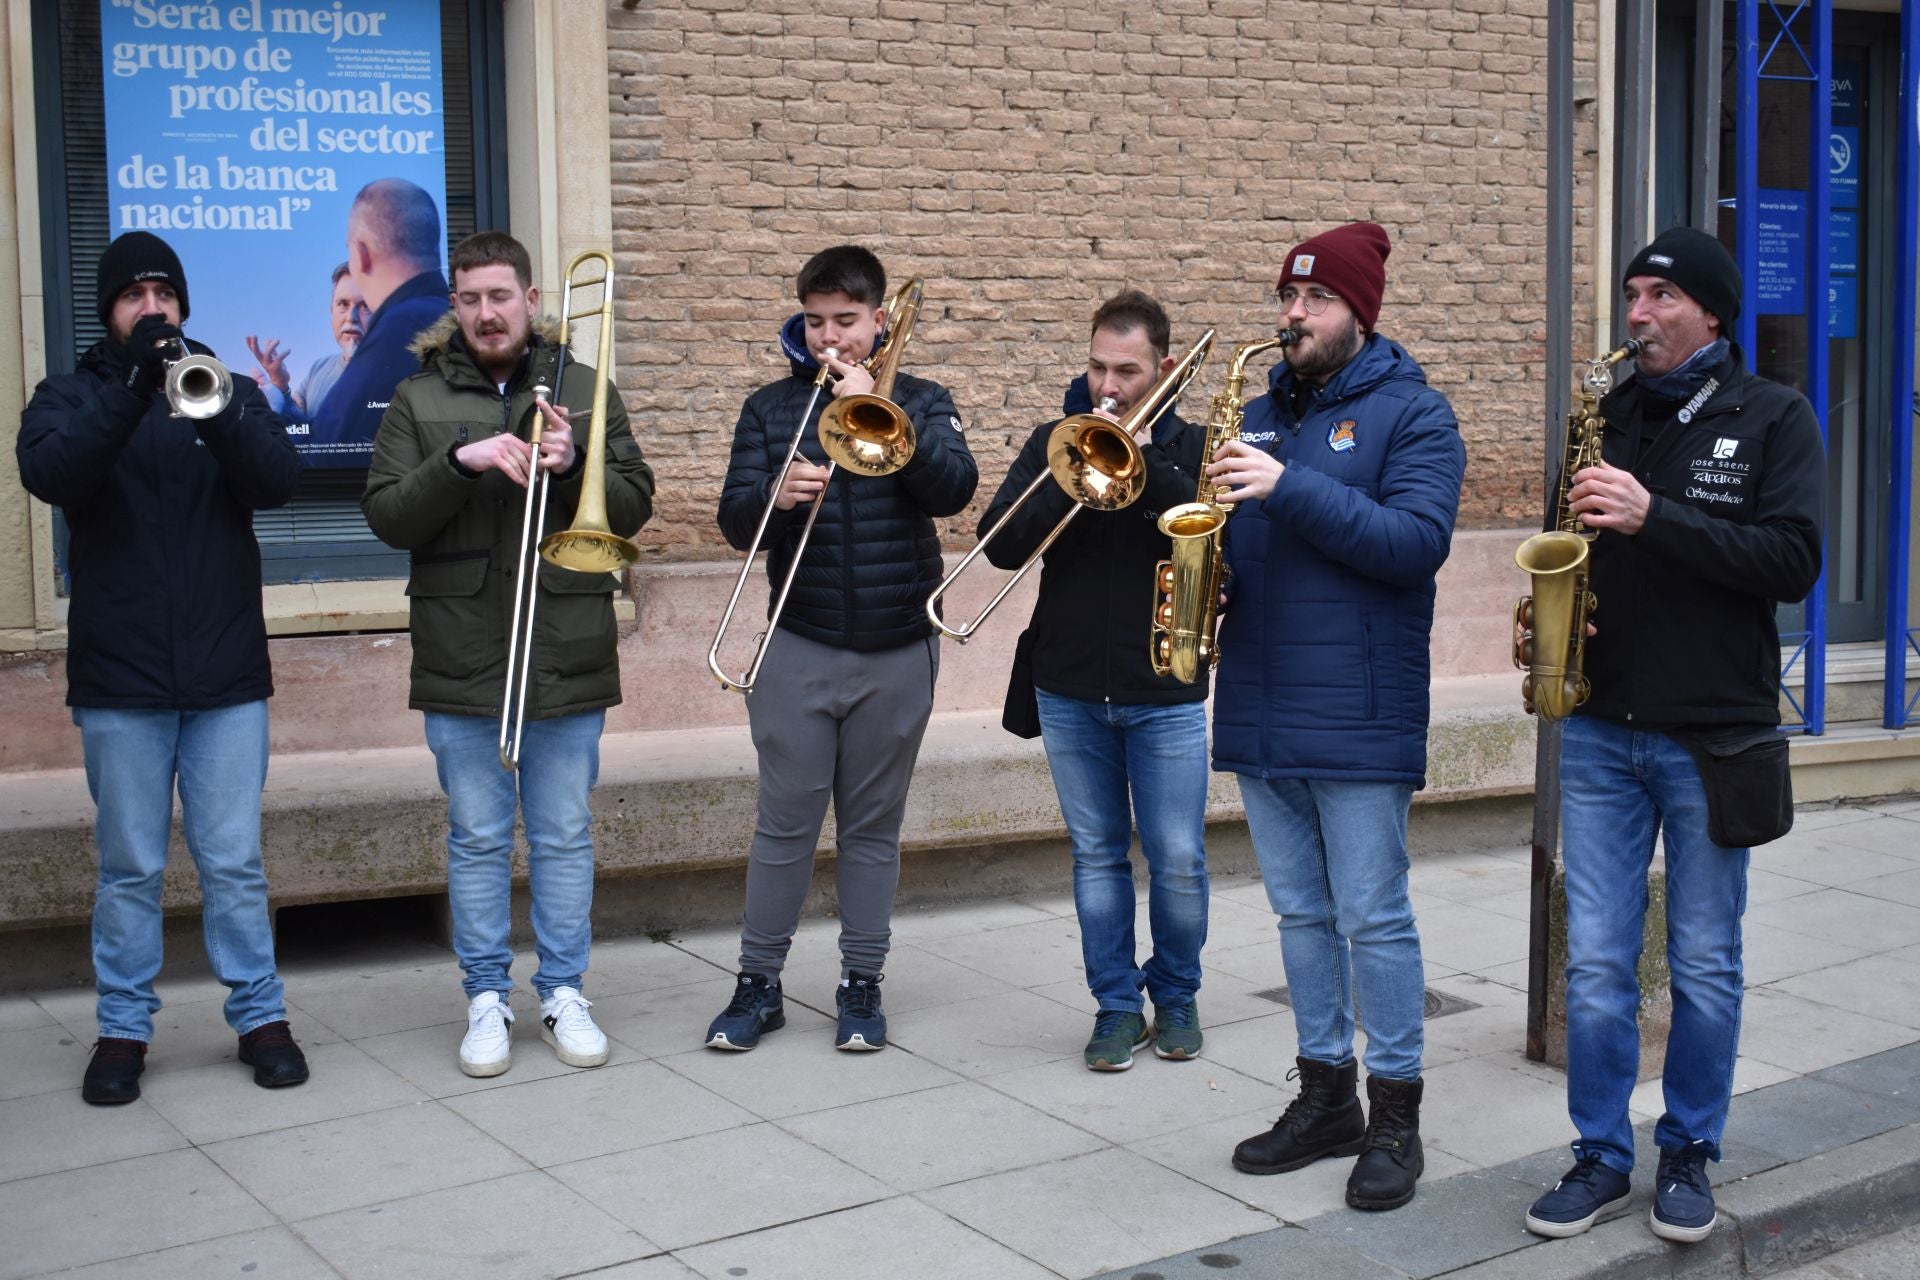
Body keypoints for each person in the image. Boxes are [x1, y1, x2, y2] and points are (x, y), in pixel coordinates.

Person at [1523, 227, 1823, 1245]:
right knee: (1600, 963)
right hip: (1604, 725)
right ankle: (1601, 1151)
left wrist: (1657, 517)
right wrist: (1559, 606)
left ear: (1710, 311)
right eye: (1631, 294)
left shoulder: (1775, 416)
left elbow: (1790, 560)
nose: (1636, 313)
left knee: (1703, 961)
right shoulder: (1603, 416)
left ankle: (1689, 1146)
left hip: (1712, 735)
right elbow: (1567, 539)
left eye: (1657, 295)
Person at [16, 230, 309, 1104]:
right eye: (135, 297)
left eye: (165, 296)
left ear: (183, 304)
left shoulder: (226, 388)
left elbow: (275, 481)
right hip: (122, 680)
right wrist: (135, 390)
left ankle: (260, 1017)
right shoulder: (67, 396)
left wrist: (210, 411)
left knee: (233, 862)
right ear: (109, 310)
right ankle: (122, 1029)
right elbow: (54, 475)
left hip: (224, 677)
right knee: (131, 866)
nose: (153, 309)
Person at [1208, 222, 1466, 1211]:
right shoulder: (1260, 410)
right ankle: (1326, 1096)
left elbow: (1413, 543)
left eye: (1312, 301)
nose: (1292, 315)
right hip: (1264, 705)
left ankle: (1396, 1112)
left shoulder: (1416, 415)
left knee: (1373, 915)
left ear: (1360, 311)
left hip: (1359, 712)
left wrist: (1288, 485)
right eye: (1287, 297)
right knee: (1301, 912)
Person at [360, 231, 654, 1078]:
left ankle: (563, 992)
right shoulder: (416, 400)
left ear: (531, 300)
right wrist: (462, 461)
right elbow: (387, 518)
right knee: (478, 837)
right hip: (461, 656)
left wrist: (570, 465)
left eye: (500, 295)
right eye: (470, 298)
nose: (486, 313)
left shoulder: (587, 389)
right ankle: (485, 998)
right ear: (453, 306)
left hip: (564, 647)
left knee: (563, 835)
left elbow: (631, 506)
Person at [706, 245, 977, 1053]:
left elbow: (955, 491)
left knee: (871, 829)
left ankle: (863, 983)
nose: (831, 338)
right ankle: (759, 985)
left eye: (848, 322)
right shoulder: (768, 409)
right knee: (783, 826)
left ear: (880, 321)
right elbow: (732, 523)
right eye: (816, 321)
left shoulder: (925, 401)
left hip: (899, 645)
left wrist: (887, 420)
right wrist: (771, 495)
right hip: (799, 639)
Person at [977, 290, 1212, 1072]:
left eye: (1128, 371)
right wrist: (1072, 466)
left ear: (1165, 369)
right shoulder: (1058, 440)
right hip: (1070, 685)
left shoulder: (1201, 450)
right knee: (1097, 855)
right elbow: (999, 548)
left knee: (1177, 857)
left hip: (1164, 690)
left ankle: (1174, 995)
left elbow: (1224, 567)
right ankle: (1116, 1006)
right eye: (1097, 367)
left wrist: (1147, 467)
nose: (1108, 387)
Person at [313, 178, 450, 458]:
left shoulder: (401, 326)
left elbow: (330, 442)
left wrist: (261, 407)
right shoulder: (448, 313)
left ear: (362, 254)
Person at [246, 263, 370, 420]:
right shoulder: (319, 368)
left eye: (365, 305)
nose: (351, 317)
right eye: (343, 304)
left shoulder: (403, 373)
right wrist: (280, 387)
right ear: (331, 311)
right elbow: (302, 428)